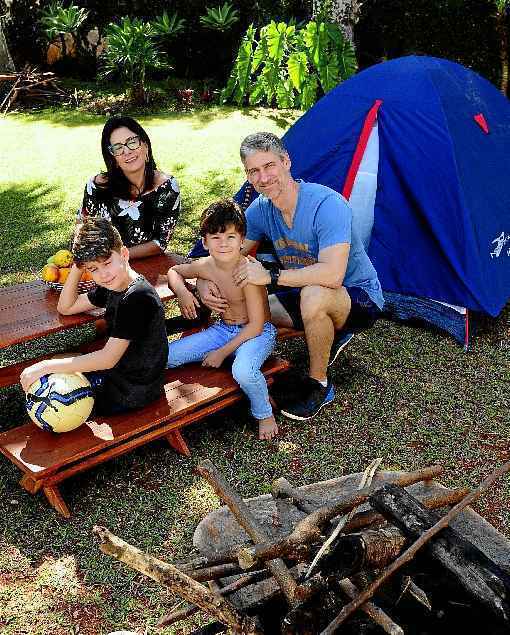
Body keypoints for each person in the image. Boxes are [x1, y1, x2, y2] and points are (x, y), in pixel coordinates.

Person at [198, 132, 384, 421]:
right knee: (253, 307)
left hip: (359, 297)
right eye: (253, 171)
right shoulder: (261, 209)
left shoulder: (327, 204)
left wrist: (270, 276)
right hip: (303, 291)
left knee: (314, 294)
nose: (263, 177)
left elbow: (333, 275)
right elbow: (228, 255)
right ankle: (243, 355)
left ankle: (319, 384)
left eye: (269, 166)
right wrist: (203, 280)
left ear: (286, 161)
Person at [20, 218, 169, 415]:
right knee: (59, 362)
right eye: (93, 269)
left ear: (124, 254)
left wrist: (45, 367)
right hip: (122, 374)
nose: (103, 274)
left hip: (131, 391)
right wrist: (77, 265)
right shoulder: (113, 284)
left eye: (107, 263)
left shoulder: (137, 297)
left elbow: (107, 359)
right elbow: (66, 307)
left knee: (54, 393)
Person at [166, 199, 278, 440]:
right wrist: (184, 292)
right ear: (205, 242)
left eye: (230, 237)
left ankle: (264, 413)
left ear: (242, 240)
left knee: (244, 371)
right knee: (168, 355)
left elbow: (257, 325)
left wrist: (221, 353)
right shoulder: (206, 266)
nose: (224, 244)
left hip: (256, 334)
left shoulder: (247, 271)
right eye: (216, 238)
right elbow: (174, 272)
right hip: (223, 330)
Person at [78, 115, 181, 259]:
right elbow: (81, 233)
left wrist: (119, 256)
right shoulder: (96, 187)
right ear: (113, 157)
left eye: (131, 142)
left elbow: (160, 242)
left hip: (146, 265)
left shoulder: (167, 187)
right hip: (103, 266)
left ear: (145, 145)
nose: (127, 151)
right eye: (118, 148)